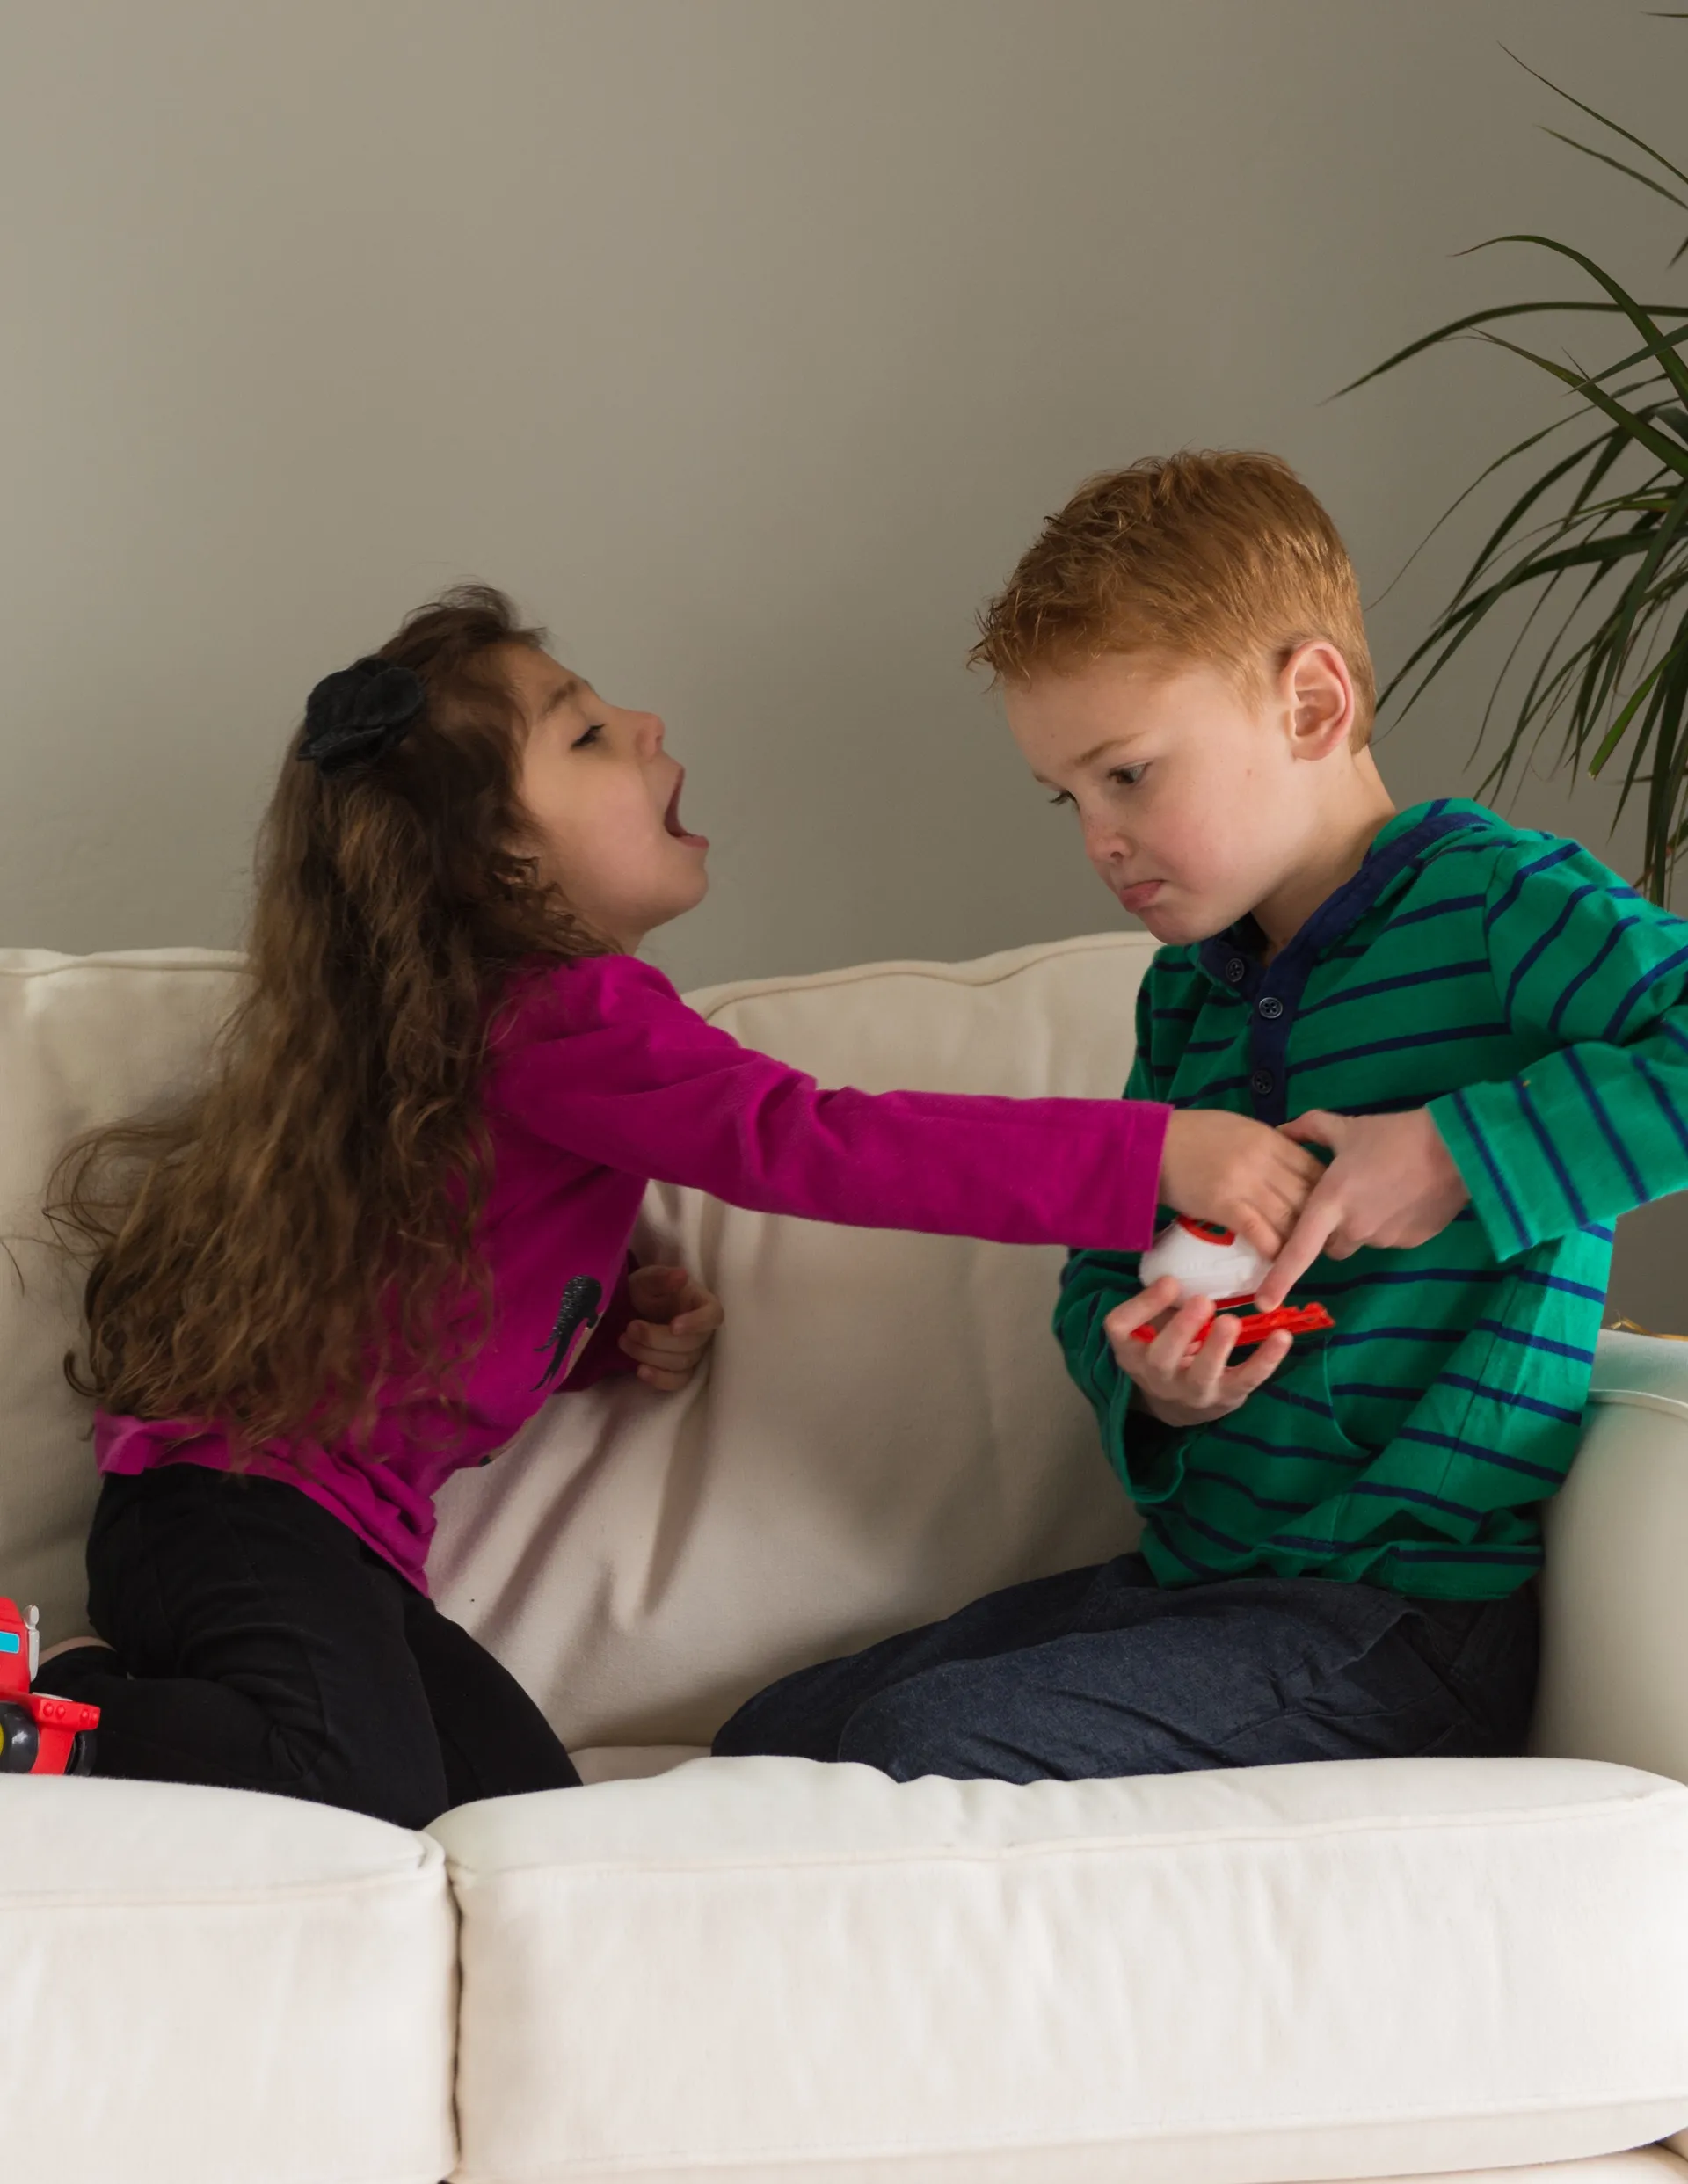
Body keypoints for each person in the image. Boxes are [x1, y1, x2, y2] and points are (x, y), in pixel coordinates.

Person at [33, 585, 1319, 1828]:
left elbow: (436, 1288)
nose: (647, 726)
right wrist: (1147, 1153)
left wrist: (604, 1326)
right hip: (235, 1523)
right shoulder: (564, 1012)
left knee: (521, 1825)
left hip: (321, 1555)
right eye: (587, 733)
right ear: (494, 860)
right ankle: (47, 1713)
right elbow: (814, 1144)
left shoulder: (490, 1046)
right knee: (355, 1790)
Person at [715, 449, 1688, 1783]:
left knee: (917, 1740)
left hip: (1403, 1622)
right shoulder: (1188, 993)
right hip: (1201, 1593)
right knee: (772, 1738)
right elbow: (1098, 1265)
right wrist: (1156, 1388)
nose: (1099, 840)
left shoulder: (1502, 909)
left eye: (1129, 775)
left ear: (1310, 705)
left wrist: (1458, 1152)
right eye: (1071, 797)